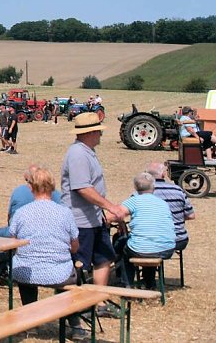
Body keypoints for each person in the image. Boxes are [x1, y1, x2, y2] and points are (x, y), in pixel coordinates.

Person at [8, 168, 87, 341]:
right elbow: (74, 247)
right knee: (70, 279)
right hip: (59, 273)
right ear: (53, 187)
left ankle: (31, 322)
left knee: (25, 274)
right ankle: (74, 324)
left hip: (26, 271)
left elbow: (12, 243)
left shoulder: (21, 213)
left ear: (31, 188)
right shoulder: (65, 213)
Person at [60, 113, 125, 300]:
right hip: (80, 221)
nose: (100, 135)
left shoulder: (87, 152)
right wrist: (111, 207)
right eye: (98, 131)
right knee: (79, 264)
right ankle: (75, 304)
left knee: (103, 258)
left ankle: (99, 301)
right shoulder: (78, 154)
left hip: (94, 218)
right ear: (90, 133)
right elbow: (82, 188)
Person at [113, 172, 176, 289]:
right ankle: (149, 282)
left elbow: (114, 215)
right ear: (153, 187)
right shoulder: (163, 203)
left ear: (135, 187)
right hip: (167, 249)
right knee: (148, 243)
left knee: (122, 247)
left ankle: (127, 283)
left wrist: (120, 221)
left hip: (141, 249)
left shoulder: (134, 200)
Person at [0, 164, 63, 238]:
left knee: (0, 232)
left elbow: (10, 217)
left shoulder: (19, 194)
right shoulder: (60, 198)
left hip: (22, 232)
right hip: (51, 233)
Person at [145, 161, 194, 253]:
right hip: (178, 240)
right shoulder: (178, 190)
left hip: (150, 240)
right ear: (163, 174)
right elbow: (191, 215)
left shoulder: (141, 193)